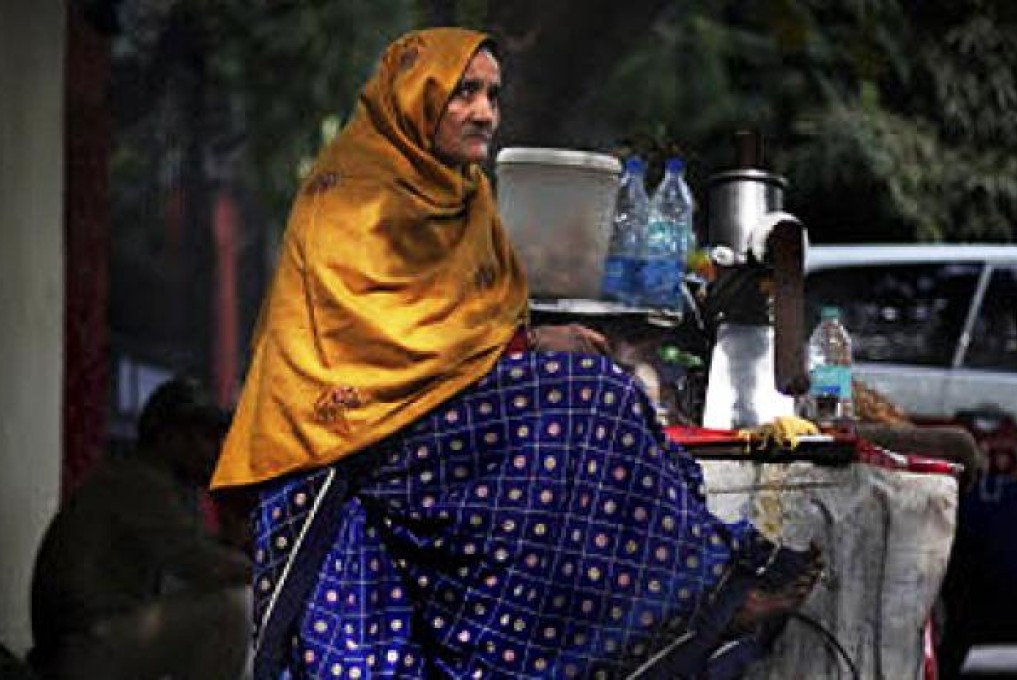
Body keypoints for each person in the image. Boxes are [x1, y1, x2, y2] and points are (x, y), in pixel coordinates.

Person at [212, 27, 819, 679]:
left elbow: (480, 310)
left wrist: (527, 340)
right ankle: (709, 599)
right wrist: (527, 344)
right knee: (588, 396)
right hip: (353, 435)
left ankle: (699, 596)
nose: (484, 112)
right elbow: (380, 333)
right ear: (414, 99)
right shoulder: (350, 191)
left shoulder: (465, 194)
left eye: (493, 95)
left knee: (608, 398)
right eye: (463, 93)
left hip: (430, 409)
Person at [29, 378, 252, 680]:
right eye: (205, 438)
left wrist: (233, 538)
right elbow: (202, 565)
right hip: (80, 652)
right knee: (231, 610)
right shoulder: (140, 483)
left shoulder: (147, 484)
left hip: (92, 642)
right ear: (169, 437)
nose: (216, 451)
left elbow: (192, 563)